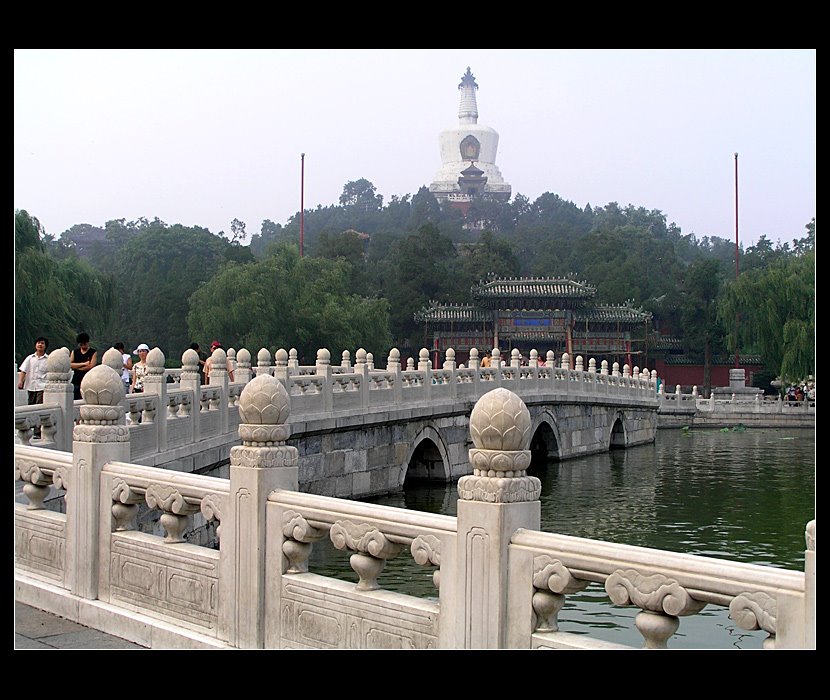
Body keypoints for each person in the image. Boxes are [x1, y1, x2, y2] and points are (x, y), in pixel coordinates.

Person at [18, 336, 49, 405]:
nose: (40, 345)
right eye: (38, 343)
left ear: (45, 346)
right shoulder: (30, 358)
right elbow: (23, 370)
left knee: (39, 404)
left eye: (42, 343)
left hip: (43, 386)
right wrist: (20, 381)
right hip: (31, 386)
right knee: (31, 404)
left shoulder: (48, 359)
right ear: (35, 345)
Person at [70, 332, 97, 400]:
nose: (83, 346)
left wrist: (77, 366)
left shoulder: (93, 352)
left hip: (88, 379)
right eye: (81, 344)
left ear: (88, 342)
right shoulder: (75, 352)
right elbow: (70, 365)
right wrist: (84, 364)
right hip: (76, 379)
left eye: (84, 344)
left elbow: (91, 366)